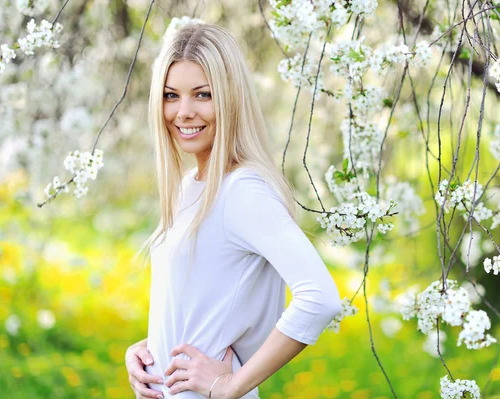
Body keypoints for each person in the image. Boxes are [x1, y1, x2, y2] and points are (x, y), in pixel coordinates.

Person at [125, 22, 342, 399]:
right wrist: (147, 350)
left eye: (203, 95)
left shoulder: (243, 192)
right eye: (171, 95)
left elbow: (319, 297)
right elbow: (200, 307)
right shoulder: (186, 189)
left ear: (230, 97)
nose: (184, 112)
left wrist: (230, 385)